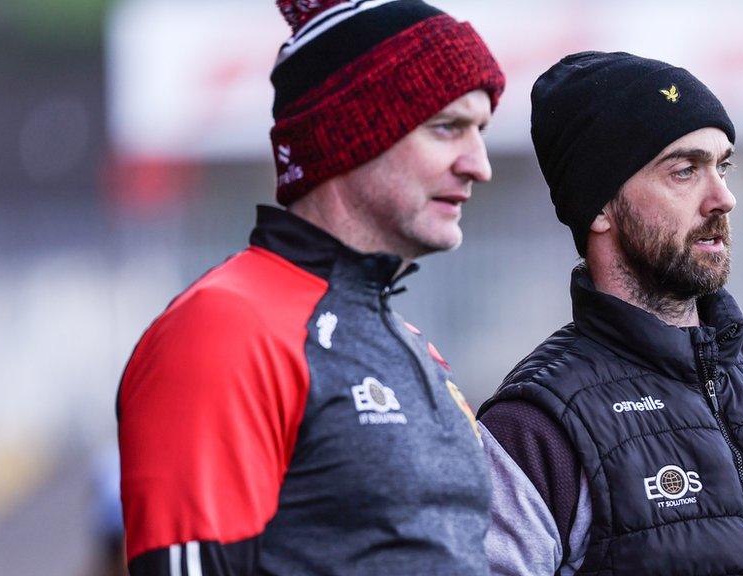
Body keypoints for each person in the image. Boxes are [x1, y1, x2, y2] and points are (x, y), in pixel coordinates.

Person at [117, 1, 504, 574]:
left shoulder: (405, 338)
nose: (479, 164)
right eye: (447, 127)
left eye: (482, 130)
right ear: (351, 135)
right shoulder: (226, 327)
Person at [478, 51, 743, 576]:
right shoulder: (533, 425)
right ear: (599, 206)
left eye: (723, 166)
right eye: (685, 171)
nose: (723, 198)